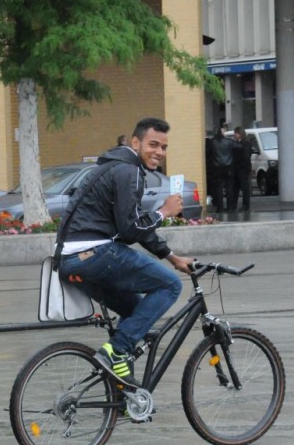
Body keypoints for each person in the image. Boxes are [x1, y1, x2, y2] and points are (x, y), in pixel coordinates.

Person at [57, 117, 194, 386]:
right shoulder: (127, 172)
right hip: (93, 253)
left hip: (71, 261)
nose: (159, 152)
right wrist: (164, 212)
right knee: (170, 286)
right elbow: (131, 230)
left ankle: (123, 392)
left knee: (136, 312)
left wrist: (171, 257)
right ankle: (115, 351)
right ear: (135, 142)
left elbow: (133, 224)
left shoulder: (114, 167)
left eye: (164, 147)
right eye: (153, 144)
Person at [208, 126, 235, 211]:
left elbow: (208, 153)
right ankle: (230, 207)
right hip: (228, 167)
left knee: (218, 188)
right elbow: (239, 147)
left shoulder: (212, 142)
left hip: (216, 168)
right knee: (229, 188)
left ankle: (220, 207)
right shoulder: (229, 142)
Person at [230, 126, 252, 211]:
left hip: (243, 169)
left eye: (235, 133)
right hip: (238, 169)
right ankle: (234, 204)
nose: (234, 135)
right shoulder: (241, 142)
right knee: (236, 187)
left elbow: (245, 156)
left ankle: (245, 205)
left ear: (239, 134)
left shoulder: (245, 143)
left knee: (244, 188)